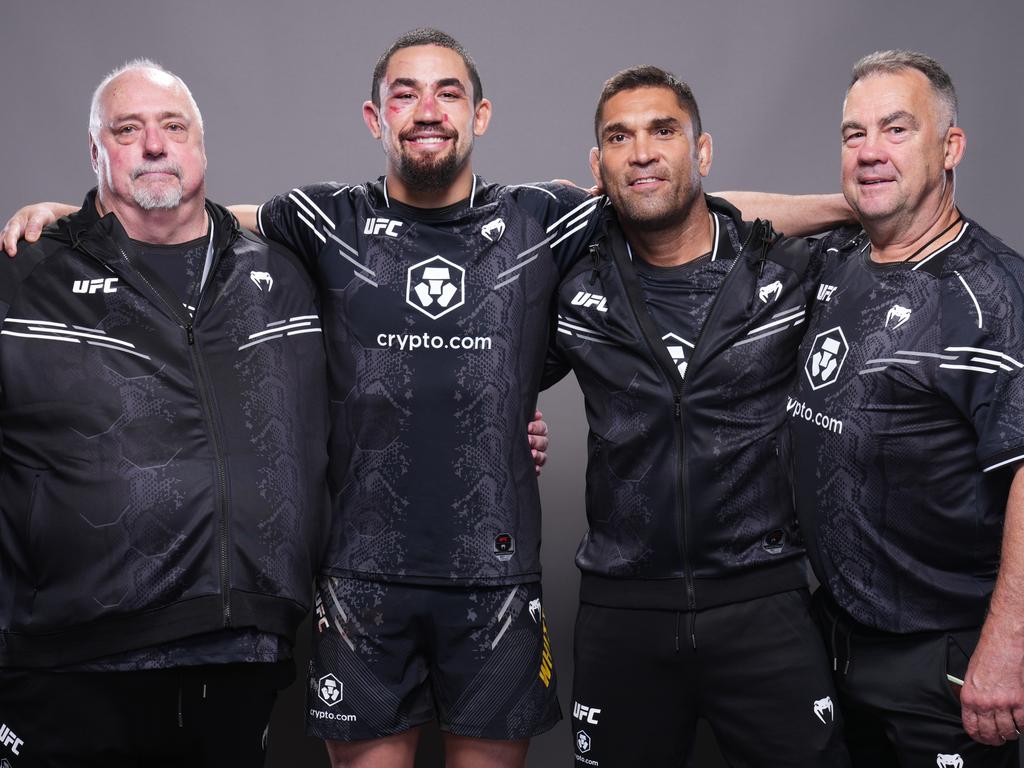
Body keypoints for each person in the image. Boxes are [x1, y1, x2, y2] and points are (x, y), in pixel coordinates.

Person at [0, 30, 845, 768]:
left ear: (480, 116)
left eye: (448, 92)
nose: (426, 108)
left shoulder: (540, 219)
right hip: (362, 579)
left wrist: (853, 206)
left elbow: (696, 205)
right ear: (377, 120)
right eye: (404, 94)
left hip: (495, 579)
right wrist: (88, 215)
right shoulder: (323, 221)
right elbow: (199, 212)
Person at [0, 60, 331, 767]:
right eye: (128, 129)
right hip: (72, 662)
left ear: (201, 146)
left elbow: (381, 395)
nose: (154, 145)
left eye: (172, 126)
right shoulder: (25, 279)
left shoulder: (287, 276)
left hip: (241, 647)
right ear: (96, 153)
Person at [542, 65, 850, 767]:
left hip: (764, 601)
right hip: (623, 611)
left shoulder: (784, 268)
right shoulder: (569, 278)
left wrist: (845, 202)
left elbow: (885, 220)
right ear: (598, 166)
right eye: (619, 137)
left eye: (664, 131)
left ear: (702, 153)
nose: (642, 152)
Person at [787, 49, 1024, 767]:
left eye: (896, 130)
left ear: (949, 147)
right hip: (836, 639)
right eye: (854, 135)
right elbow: (713, 213)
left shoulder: (992, 296)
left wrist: (1007, 651)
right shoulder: (840, 258)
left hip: (946, 654)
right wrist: (857, 200)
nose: (869, 151)